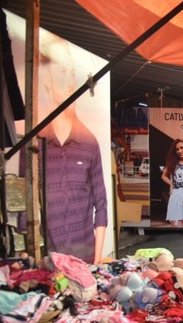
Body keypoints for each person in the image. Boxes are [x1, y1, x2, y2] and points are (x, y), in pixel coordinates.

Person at [39, 35, 107, 264]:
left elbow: (102, 204)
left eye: (70, 72)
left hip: (85, 257)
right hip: (49, 260)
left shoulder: (89, 142)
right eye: (59, 71)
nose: (67, 80)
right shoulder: (36, 143)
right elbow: (24, 213)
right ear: (46, 80)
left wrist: (97, 261)